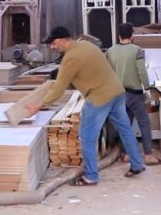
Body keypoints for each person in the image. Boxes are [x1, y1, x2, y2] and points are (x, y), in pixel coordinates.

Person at [35, 26, 145, 186]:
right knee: (125, 130)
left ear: (62, 40)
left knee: (87, 137)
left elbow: (59, 88)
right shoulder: (87, 45)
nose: (52, 47)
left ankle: (91, 176)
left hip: (99, 98)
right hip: (117, 92)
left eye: (53, 43)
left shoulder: (70, 58)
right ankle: (137, 165)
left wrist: (39, 105)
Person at [106, 23, 161, 166]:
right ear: (132, 35)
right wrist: (147, 88)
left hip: (118, 94)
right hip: (135, 94)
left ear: (119, 36)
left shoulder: (110, 52)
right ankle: (148, 155)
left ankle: (126, 154)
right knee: (144, 123)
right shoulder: (137, 50)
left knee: (125, 124)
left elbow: (107, 73)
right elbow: (142, 71)